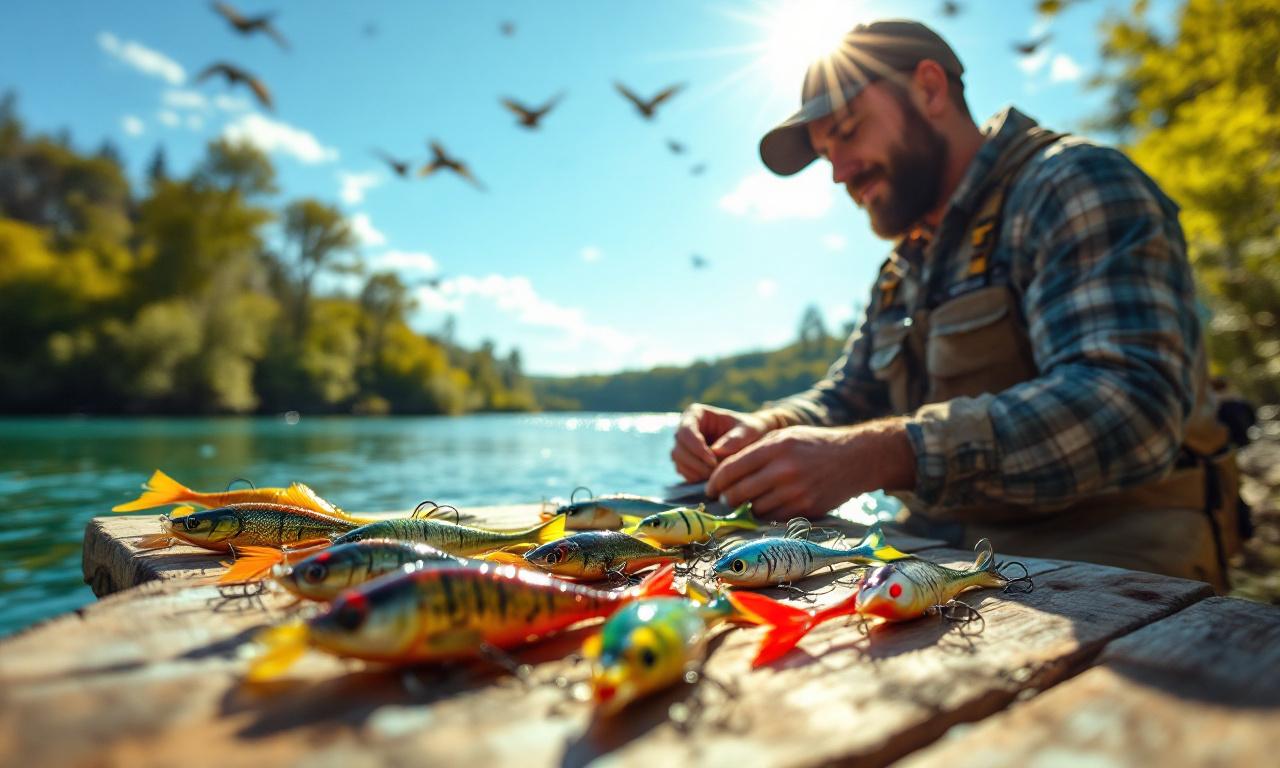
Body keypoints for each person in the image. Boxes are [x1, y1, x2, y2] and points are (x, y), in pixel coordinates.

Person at [671, 19, 1244, 592]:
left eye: (847, 132)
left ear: (929, 88)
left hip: (1114, 563)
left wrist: (878, 455)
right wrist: (765, 428)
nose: (839, 172)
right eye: (825, 154)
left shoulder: (1073, 185)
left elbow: (1130, 407)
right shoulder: (902, 269)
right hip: (944, 554)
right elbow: (848, 397)